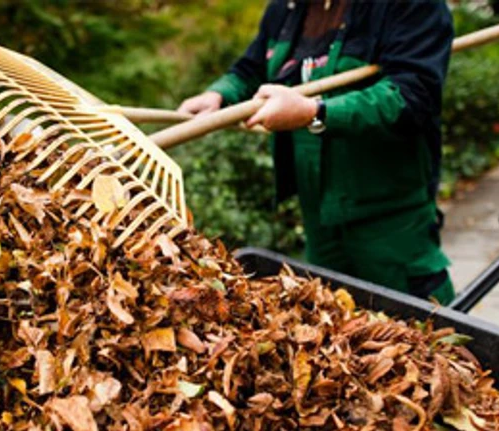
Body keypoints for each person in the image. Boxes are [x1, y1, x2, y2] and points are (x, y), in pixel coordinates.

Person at [178, 0, 456, 304]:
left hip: (389, 217)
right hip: (317, 214)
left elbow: (412, 96)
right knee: (333, 324)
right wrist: (219, 94)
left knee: (416, 327)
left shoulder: (410, 6)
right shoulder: (286, 9)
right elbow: (252, 68)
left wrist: (314, 112)